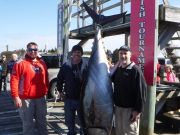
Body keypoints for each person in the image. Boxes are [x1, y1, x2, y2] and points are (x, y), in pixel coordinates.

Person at [10, 42, 49, 135]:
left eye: (35, 50)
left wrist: (46, 91)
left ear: (37, 50)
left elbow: (46, 78)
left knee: (42, 123)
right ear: (27, 51)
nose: (33, 52)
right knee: (28, 124)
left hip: (40, 98)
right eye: (30, 50)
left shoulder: (42, 62)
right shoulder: (20, 63)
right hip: (25, 99)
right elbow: (14, 81)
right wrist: (16, 97)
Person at [110, 45, 147, 135]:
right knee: (119, 132)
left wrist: (137, 110)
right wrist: (117, 64)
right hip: (118, 109)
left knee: (130, 132)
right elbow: (109, 77)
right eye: (121, 53)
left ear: (130, 55)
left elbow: (142, 92)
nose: (123, 56)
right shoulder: (118, 70)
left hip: (130, 110)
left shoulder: (136, 70)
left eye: (125, 53)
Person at [57, 45, 88, 135]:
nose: (76, 54)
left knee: (83, 121)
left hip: (83, 100)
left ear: (81, 54)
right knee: (69, 121)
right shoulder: (66, 65)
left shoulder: (86, 65)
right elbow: (59, 79)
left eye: (78, 52)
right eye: (75, 52)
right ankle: (71, 132)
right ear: (72, 53)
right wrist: (60, 91)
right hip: (69, 98)